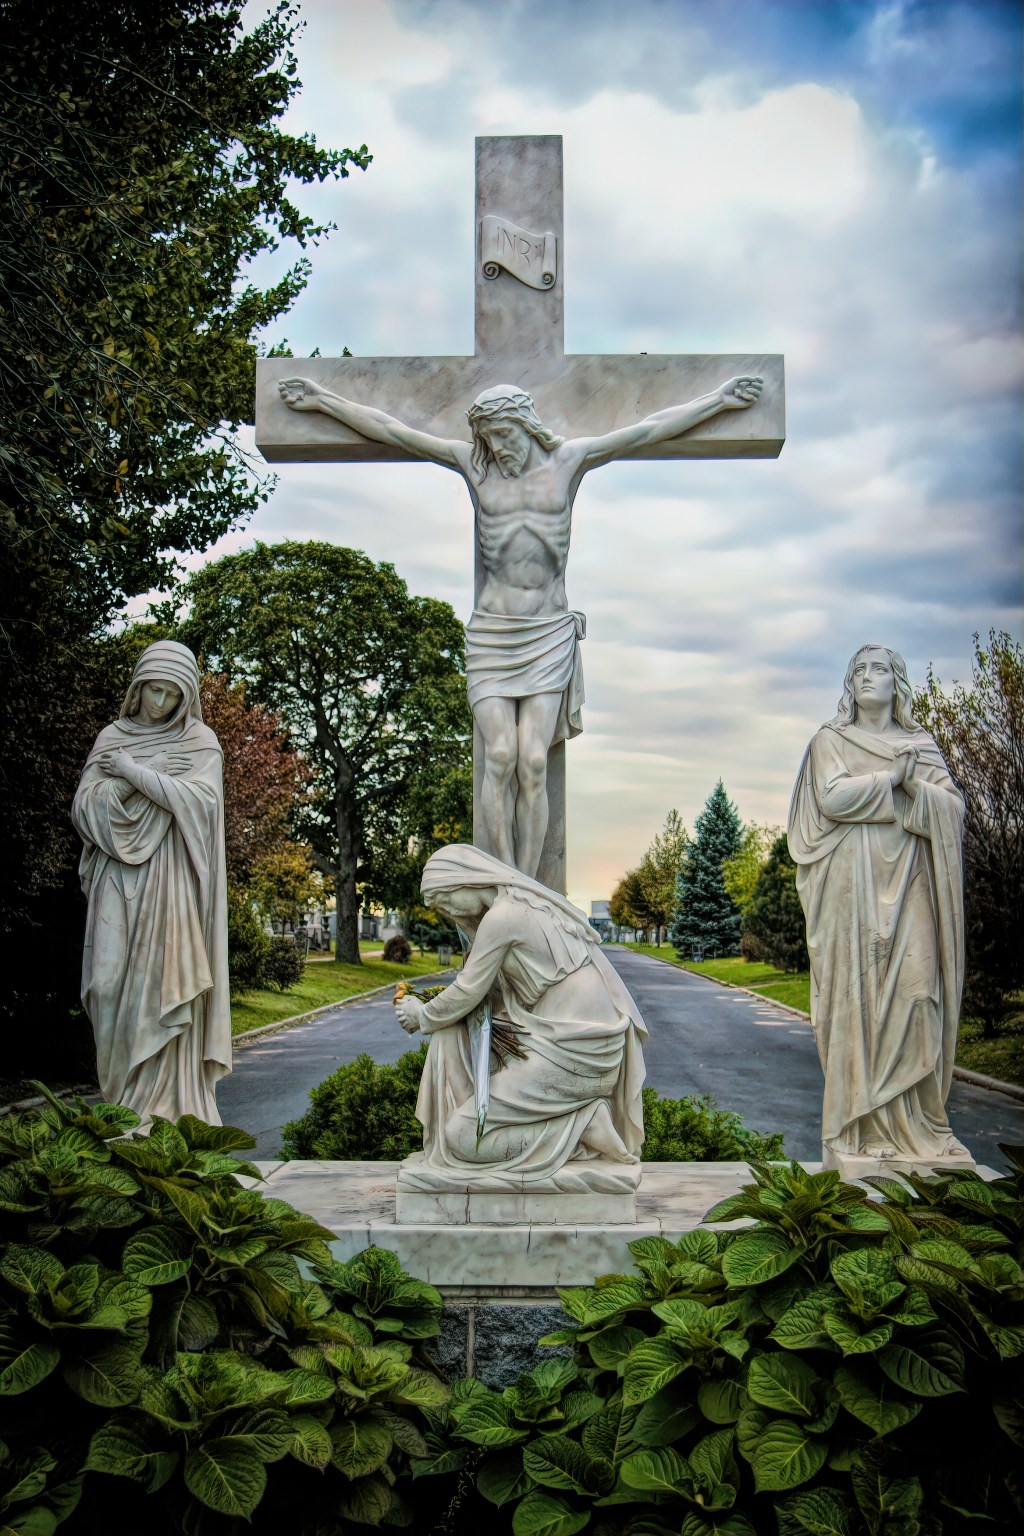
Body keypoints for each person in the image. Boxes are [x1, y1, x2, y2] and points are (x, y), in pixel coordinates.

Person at [279, 373, 763, 879]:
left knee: (532, 761)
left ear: (527, 426)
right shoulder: (476, 467)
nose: (498, 448)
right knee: (500, 755)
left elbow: (648, 429)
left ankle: (529, 885)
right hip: (492, 634)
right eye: (489, 439)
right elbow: (393, 430)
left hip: (546, 632)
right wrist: (322, 401)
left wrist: (719, 400)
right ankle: (505, 876)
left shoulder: (569, 461)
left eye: (505, 435)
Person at [787, 644, 968, 1164]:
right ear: (851, 684)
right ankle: (864, 1128)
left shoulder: (920, 746)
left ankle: (923, 1127)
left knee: (920, 995)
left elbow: (953, 812)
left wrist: (915, 785)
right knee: (858, 1005)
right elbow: (831, 799)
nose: (869, 676)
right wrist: (891, 780)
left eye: (880, 669)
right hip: (855, 894)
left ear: (897, 683)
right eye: (859, 670)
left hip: (911, 886)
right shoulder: (830, 740)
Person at [393, 844, 647, 1184]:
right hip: (577, 1039)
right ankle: (582, 1121)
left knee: (462, 1138)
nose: (446, 910)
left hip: (572, 1050)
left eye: (444, 899)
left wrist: (422, 1014)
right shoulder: (526, 903)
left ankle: (582, 1124)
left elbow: (468, 990)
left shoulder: (503, 916)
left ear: (464, 880)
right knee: (456, 1045)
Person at [72, 641, 231, 1124]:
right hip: (115, 875)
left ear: (186, 697)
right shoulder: (112, 737)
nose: (160, 703)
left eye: (172, 694)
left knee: (165, 983)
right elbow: (84, 808)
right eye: (153, 690)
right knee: (105, 983)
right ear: (137, 688)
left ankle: (165, 1109)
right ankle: (121, 1104)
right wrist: (134, 776)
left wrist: (133, 771)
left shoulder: (199, 741)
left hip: (171, 879)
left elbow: (202, 806)